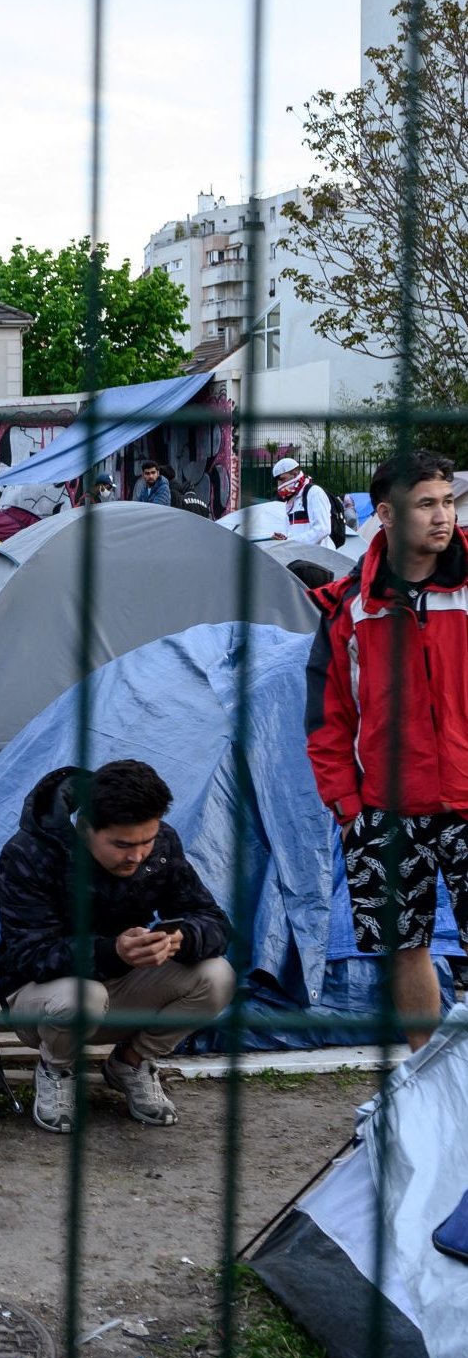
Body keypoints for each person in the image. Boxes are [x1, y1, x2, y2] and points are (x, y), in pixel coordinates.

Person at [305, 447, 468, 1051]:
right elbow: (326, 718)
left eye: (447, 501)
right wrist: (348, 809)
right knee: (404, 947)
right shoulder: (350, 606)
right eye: (425, 504)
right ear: (387, 513)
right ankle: (424, 1074)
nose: (442, 516)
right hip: (385, 808)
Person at [0, 759, 236, 1133]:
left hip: (121, 987)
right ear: (85, 828)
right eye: (122, 845)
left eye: (146, 842)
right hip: (42, 999)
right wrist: (112, 951)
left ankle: (131, 1063)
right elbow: (29, 955)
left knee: (217, 976)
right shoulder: (31, 853)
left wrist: (181, 938)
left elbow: (213, 920)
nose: (136, 856)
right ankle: (56, 1069)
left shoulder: (162, 845)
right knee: (82, 996)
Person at [270, 457, 338, 548]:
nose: (279, 484)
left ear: (295, 474)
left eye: (282, 479)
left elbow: (323, 529)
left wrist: (290, 543)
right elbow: (293, 532)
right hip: (301, 553)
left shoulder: (314, 492)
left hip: (320, 554)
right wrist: (284, 539)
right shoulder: (290, 500)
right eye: (278, 481)